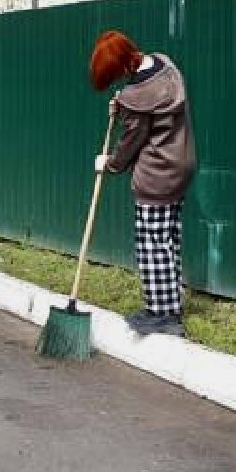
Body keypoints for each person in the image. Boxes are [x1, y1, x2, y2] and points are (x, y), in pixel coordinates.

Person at [91, 30, 196, 337]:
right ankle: (170, 305)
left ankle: (161, 316)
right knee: (168, 240)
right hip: (182, 164)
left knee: (151, 245)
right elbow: (148, 107)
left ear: (122, 67)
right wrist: (122, 105)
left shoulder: (135, 97)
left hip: (157, 174)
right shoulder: (166, 66)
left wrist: (108, 163)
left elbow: (130, 144)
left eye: (113, 77)